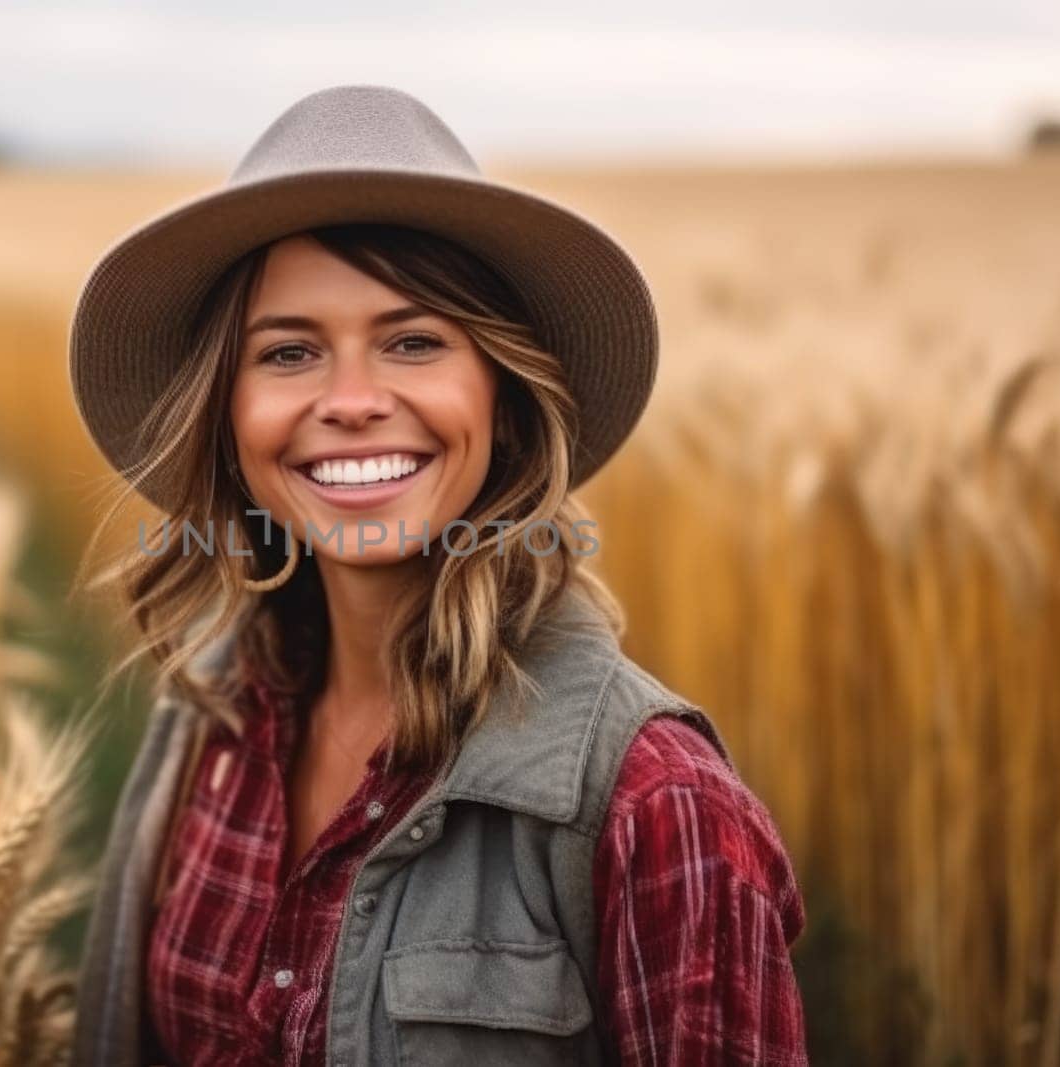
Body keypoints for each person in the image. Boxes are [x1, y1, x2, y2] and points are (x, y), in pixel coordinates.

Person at [66, 84, 808, 1066]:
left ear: (500, 396)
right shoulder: (208, 720)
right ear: (226, 413)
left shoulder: (653, 801)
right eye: (288, 351)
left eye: (413, 341)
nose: (353, 401)